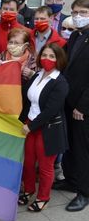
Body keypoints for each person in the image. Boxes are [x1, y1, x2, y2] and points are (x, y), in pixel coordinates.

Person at [18, 43, 69, 212]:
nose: (47, 59)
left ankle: (43, 197)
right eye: (45, 55)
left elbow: (50, 111)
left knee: (46, 167)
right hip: (30, 125)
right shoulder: (37, 75)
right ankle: (28, 190)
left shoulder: (60, 82)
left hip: (47, 130)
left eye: (52, 56)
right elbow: (26, 100)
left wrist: (30, 126)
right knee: (29, 163)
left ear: (59, 59)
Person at [53, 0, 89, 212]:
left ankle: (84, 192)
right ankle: (71, 180)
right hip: (68, 101)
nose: (77, 16)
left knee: (83, 149)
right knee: (70, 146)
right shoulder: (76, 35)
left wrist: (83, 107)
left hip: (82, 108)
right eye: (75, 12)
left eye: (83, 12)